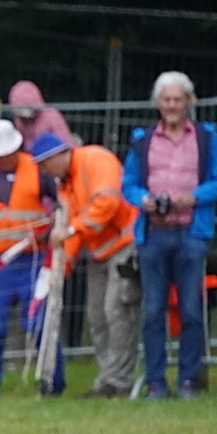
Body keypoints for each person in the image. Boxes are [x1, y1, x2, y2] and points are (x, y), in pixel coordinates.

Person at [121, 71, 217, 399]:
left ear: (189, 101)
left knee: (190, 309)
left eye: (178, 99)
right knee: (154, 309)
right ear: (158, 103)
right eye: (167, 100)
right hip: (154, 234)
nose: (172, 105)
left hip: (191, 233)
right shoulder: (142, 141)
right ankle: (156, 381)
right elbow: (127, 183)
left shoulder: (205, 138)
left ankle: (188, 380)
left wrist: (194, 198)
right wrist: (142, 200)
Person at [32, 134, 141, 397]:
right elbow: (72, 231)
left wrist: (71, 230)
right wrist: (61, 270)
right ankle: (107, 378)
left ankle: (119, 381)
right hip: (99, 251)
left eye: (45, 165)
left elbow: (108, 203)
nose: (44, 171)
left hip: (124, 245)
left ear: (58, 155)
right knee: (97, 316)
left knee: (117, 313)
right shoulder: (65, 183)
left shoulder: (95, 159)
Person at [0, 119, 61, 399]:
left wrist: (57, 219)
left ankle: (52, 382)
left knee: (40, 322)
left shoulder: (37, 168)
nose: (2, 159)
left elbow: (61, 199)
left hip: (31, 259)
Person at [6, 80, 73, 150]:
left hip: (53, 156)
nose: (25, 118)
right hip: (31, 157)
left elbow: (66, 142)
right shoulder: (19, 120)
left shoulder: (51, 116)